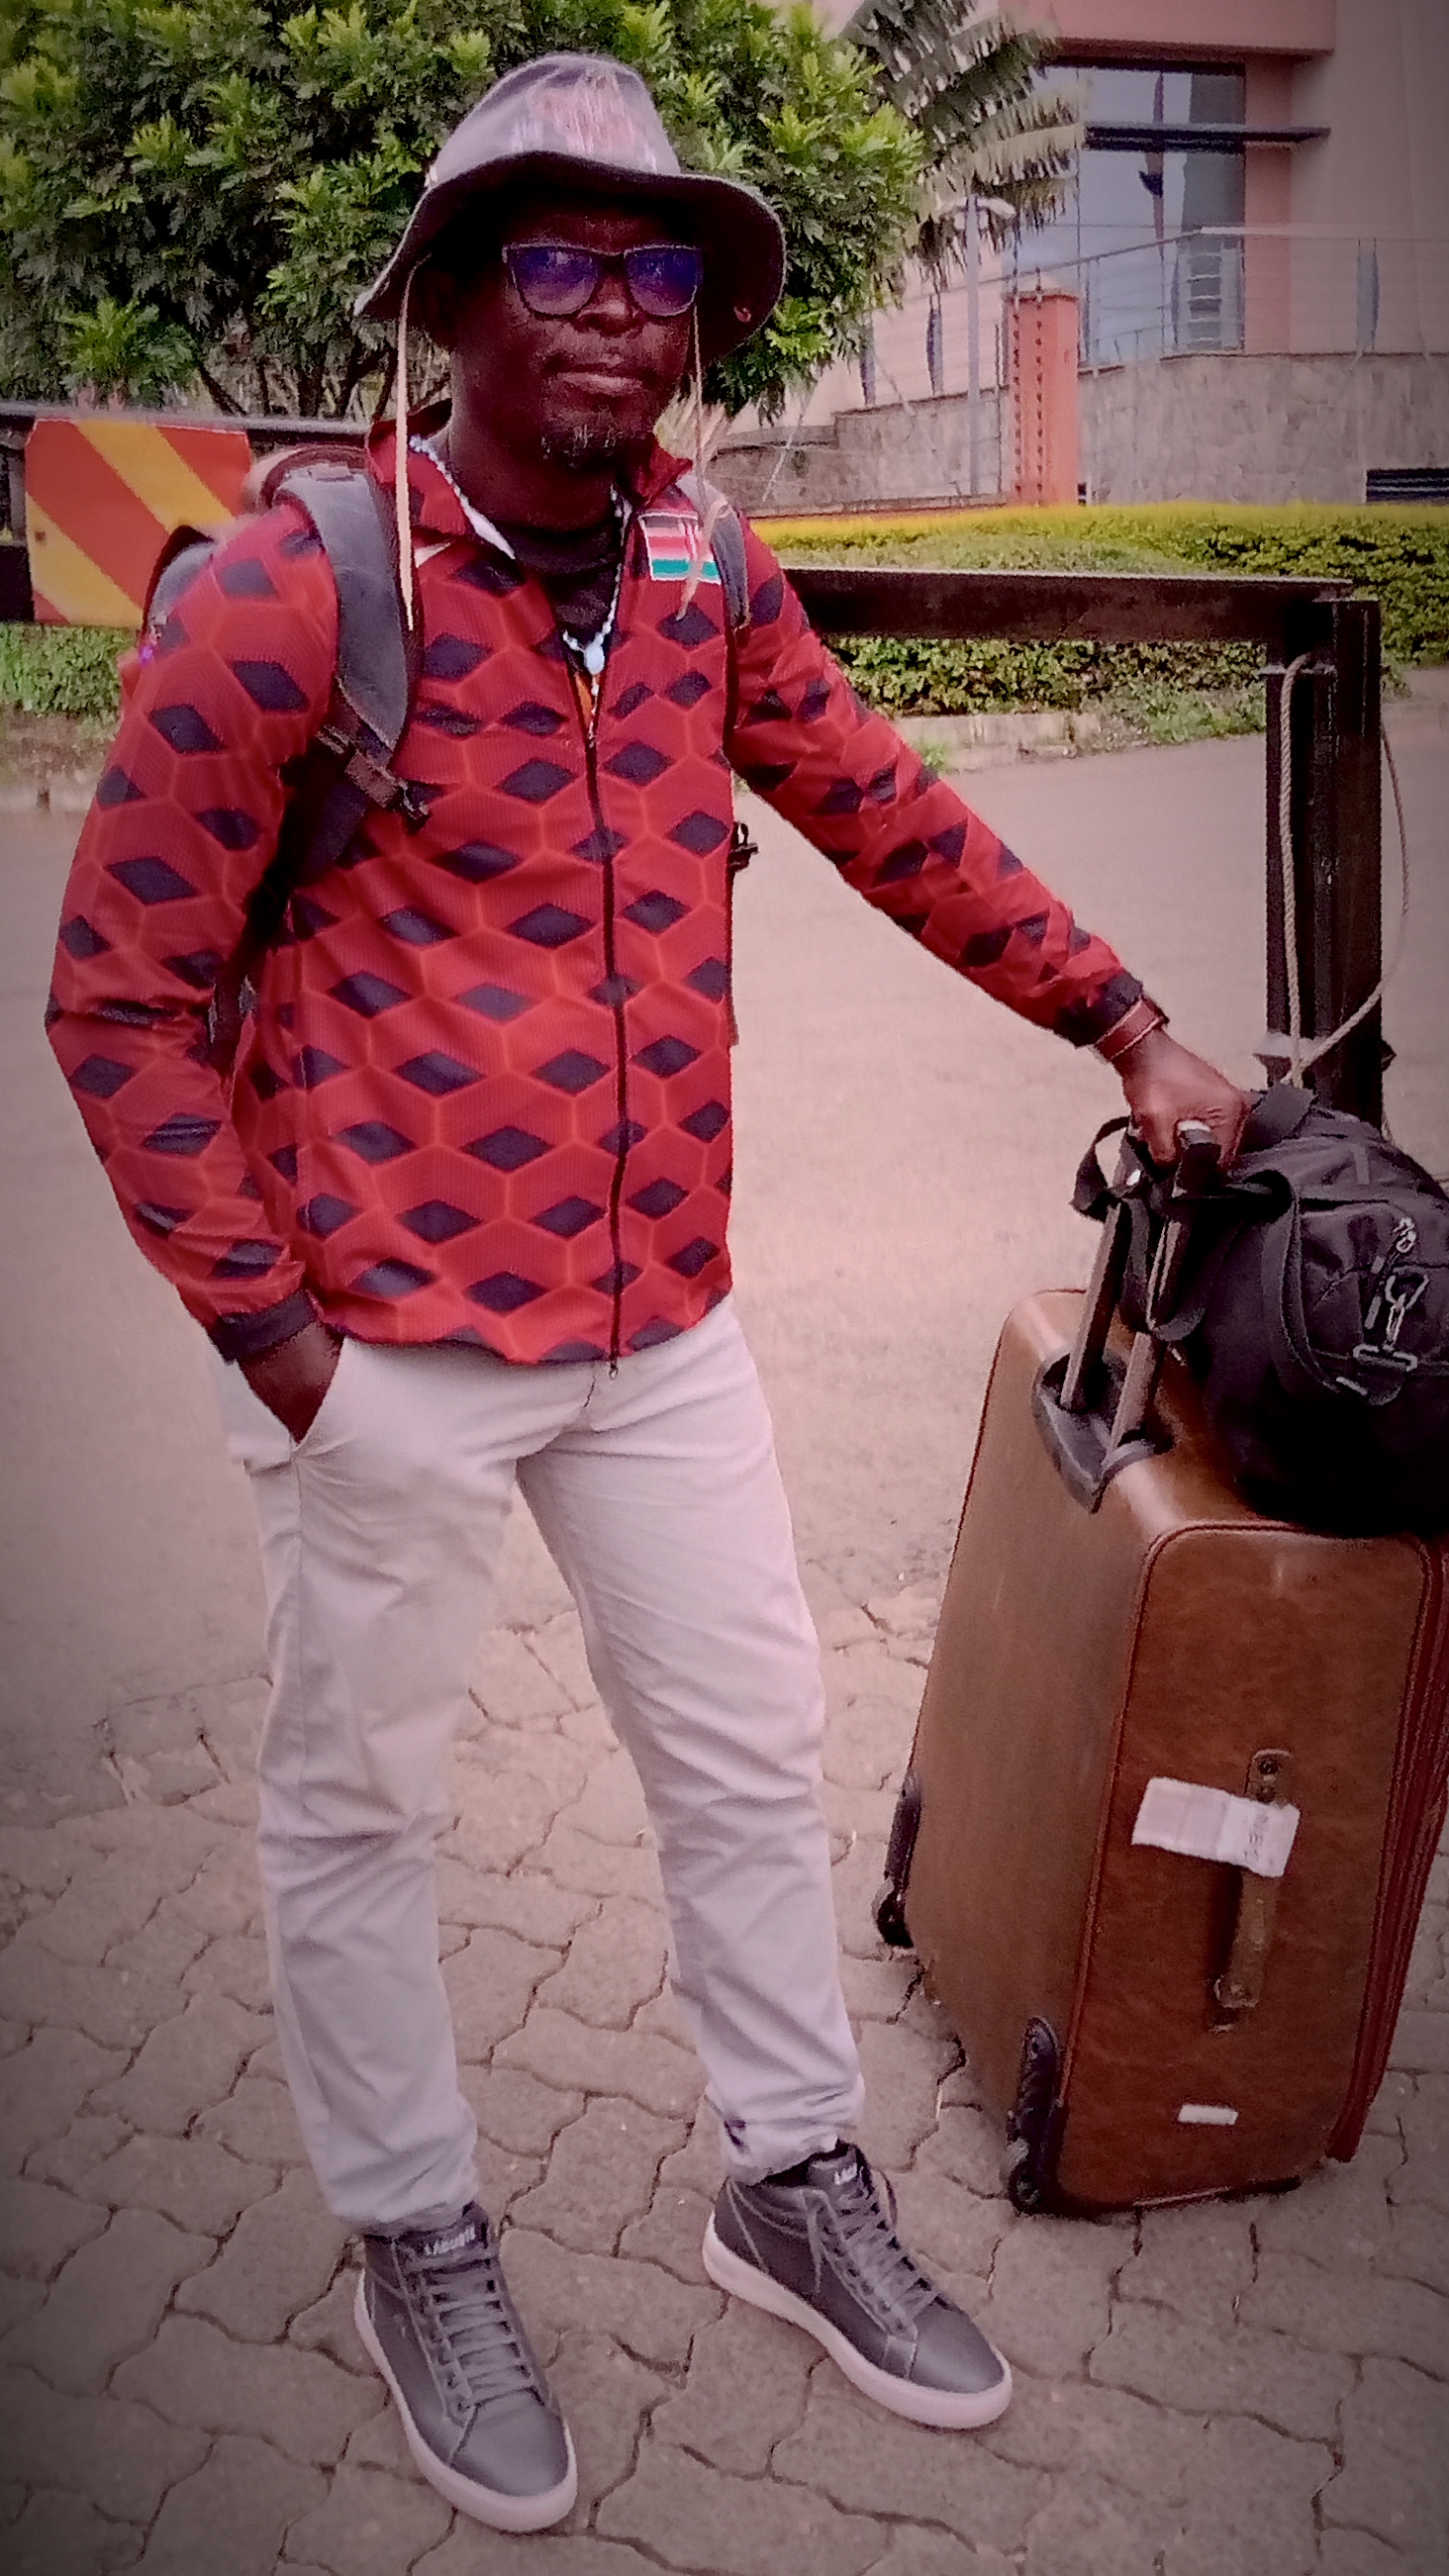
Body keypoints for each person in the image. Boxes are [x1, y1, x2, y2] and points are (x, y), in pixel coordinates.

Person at [48, 51, 1250, 2533]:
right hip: (379, 1342)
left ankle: (786, 2177)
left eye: (660, 268)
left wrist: (1123, 1015)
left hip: (659, 1325)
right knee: (361, 1807)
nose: (617, 308)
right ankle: (413, 2233)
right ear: (454, 301)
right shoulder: (298, 589)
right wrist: (280, 1345)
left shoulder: (703, 571)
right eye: (561, 259)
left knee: (745, 1749)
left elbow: (886, 809)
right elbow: (118, 1002)